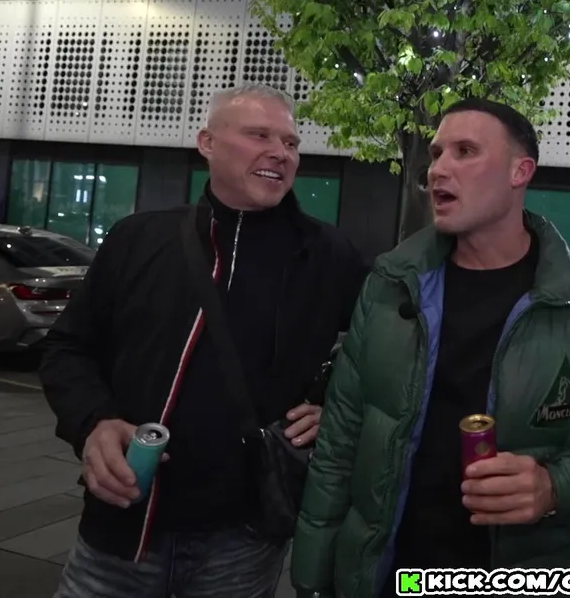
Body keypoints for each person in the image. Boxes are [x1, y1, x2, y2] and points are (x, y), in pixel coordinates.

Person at [290, 97, 570, 598]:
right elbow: (341, 442)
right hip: (386, 575)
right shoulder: (390, 285)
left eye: (465, 151)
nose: (438, 169)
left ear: (520, 172)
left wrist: (554, 487)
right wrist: (313, 579)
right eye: (436, 153)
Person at [39, 84, 369, 597]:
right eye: (259, 135)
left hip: (245, 540)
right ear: (207, 143)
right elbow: (67, 349)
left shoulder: (329, 256)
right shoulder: (139, 239)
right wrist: (93, 423)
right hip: (123, 527)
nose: (280, 153)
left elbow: (384, 357)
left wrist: (337, 410)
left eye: (290, 142)